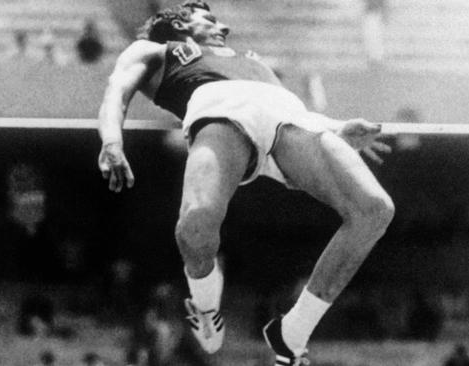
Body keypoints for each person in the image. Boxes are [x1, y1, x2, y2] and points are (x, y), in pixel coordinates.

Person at [96, 1, 394, 365]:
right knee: (194, 226)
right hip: (221, 113)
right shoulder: (154, 50)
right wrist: (112, 141)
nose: (222, 26)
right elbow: (117, 90)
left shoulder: (254, 59)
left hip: (292, 122)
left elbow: (281, 105)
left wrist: (337, 127)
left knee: (374, 210)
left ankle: (292, 333)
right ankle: (205, 307)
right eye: (208, 17)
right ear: (178, 24)